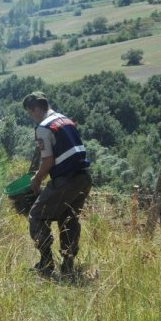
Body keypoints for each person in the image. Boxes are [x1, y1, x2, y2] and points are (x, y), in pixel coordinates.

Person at [22, 91, 92, 277]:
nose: (31, 117)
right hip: (84, 178)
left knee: (37, 215)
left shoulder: (43, 128)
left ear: (36, 109)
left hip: (67, 180)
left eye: (30, 113)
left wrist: (36, 179)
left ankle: (46, 264)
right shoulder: (64, 119)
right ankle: (68, 266)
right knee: (68, 218)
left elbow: (48, 162)